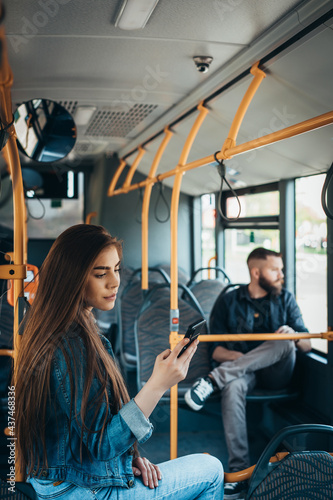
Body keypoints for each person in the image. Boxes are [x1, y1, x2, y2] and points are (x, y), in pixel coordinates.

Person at [15, 224, 224, 500]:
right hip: (79, 490)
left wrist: (125, 462)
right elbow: (102, 443)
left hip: (60, 479)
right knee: (212, 470)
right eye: (101, 273)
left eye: (116, 270)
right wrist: (158, 384)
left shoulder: (47, 325)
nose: (114, 282)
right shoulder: (73, 343)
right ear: (71, 278)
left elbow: (86, 431)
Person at [184, 247, 311, 499]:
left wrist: (293, 335)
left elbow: (306, 344)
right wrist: (245, 361)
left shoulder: (285, 299)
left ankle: (212, 380)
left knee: (284, 340)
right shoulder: (228, 300)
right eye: (275, 270)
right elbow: (216, 351)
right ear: (256, 272)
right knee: (233, 386)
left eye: (281, 270)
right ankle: (239, 471)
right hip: (244, 371)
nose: (281, 275)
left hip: (277, 373)